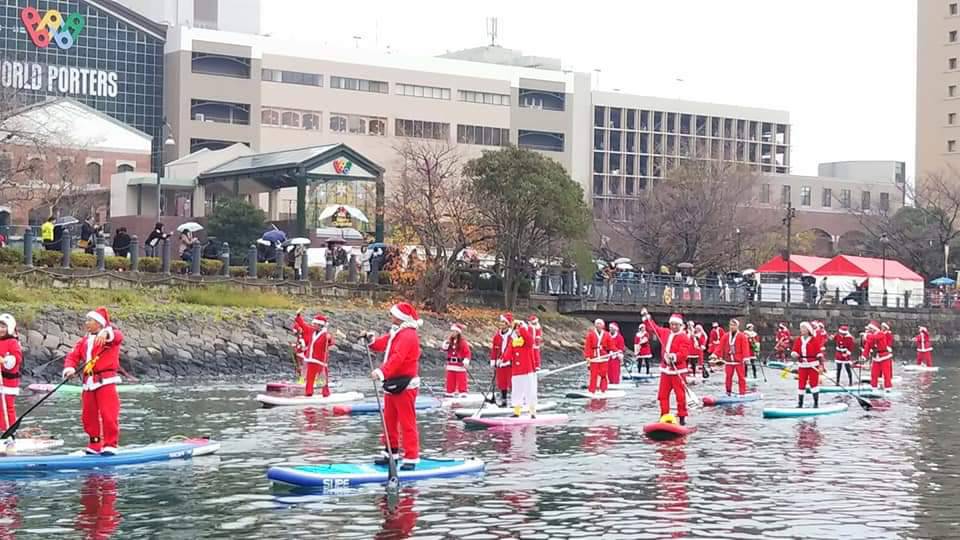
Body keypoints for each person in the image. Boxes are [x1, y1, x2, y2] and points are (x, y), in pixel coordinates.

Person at [367, 302, 422, 470]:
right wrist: (371, 340)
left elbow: (398, 358)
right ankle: (391, 451)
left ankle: (411, 456)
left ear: (400, 317)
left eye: (393, 314)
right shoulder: (396, 332)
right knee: (389, 420)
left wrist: (381, 372)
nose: (391, 317)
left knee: (407, 422)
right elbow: (382, 344)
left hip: (405, 385)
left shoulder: (408, 335)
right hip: (392, 383)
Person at [62, 307, 124, 455]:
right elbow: (72, 357)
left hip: (105, 382)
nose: (87, 323)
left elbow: (118, 336)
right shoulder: (83, 341)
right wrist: (69, 369)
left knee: (108, 414)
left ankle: (110, 444)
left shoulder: (109, 337)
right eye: (87, 320)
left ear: (99, 323)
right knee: (88, 416)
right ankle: (94, 444)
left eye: (90, 320)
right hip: (88, 384)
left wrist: (106, 331)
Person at [641, 309, 692, 425]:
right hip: (665, 371)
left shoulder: (684, 338)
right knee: (662, 395)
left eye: (676, 324)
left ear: (680, 325)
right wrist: (646, 317)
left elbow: (683, 354)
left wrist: (674, 357)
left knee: (680, 395)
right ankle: (664, 415)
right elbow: (652, 328)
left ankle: (682, 417)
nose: (673, 326)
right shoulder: (665, 332)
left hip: (678, 371)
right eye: (672, 324)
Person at [293, 309, 333, 398]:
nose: (313, 325)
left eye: (315, 324)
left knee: (323, 378)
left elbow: (331, 342)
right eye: (313, 324)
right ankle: (308, 393)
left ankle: (326, 393)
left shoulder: (325, 335)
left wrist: (329, 338)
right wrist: (298, 316)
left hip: (320, 361)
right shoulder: (311, 331)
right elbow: (302, 324)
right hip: (310, 359)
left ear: (320, 325)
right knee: (309, 377)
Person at [506, 316, 537, 417]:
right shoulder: (513, 342)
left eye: (519, 330)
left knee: (530, 391)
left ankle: (532, 412)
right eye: (516, 330)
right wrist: (502, 360)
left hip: (527, 371)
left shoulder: (527, 341)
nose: (518, 332)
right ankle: (517, 412)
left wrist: (521, 326)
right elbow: (508, 353)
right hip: (516, 371)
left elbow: (528, 337)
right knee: (516, 391)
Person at [791, 321, 824, 409]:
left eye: (804, 328)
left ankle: (816, 403)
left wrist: (821, 366)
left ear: (808, 330)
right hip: (802, 365)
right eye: (801, 328)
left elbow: (819, 353)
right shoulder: (799, 339)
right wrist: (794, 354)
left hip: (813, 364)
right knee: (801, 384)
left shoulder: (814, 340)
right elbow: (795, 350)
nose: (802, 330)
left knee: (813, 384)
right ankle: (800, 403)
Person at [716, 318, 751, 396]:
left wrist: (746, 358)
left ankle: (742, 393)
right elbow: (720, 346)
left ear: (737, 326)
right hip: (728, 360)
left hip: (738, 360)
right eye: (731, 325)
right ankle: (728, 392)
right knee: (728, 377)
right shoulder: (726, 336)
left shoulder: (742, 336)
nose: (732, 327)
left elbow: (745, 348)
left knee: (741, 377)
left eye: (734, 325)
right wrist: (715, 354)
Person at [0, 314, 21, 432]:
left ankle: (9, 431)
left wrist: (4, 361)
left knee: (8, 407)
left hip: (9, 382)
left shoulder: (13, 342)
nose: (1, 329)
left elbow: (16, 359)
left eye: (3, 326)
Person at [490, 313, 514, 407]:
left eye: (504, 322)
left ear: (508, 324)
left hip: (510, 363)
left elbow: (511, 349)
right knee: (502, 382)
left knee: (511, 382)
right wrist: (493, 361)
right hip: (499, 363)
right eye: (501, 322)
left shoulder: (512, 335)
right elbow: (494, 349)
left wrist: (505, 359)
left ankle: (514, 400)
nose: (501, 324)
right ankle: (504, 400)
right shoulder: (497, 336)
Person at [583, 319, 612, 395]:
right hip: (594, 356)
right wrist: (587, 357)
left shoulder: (607, 334)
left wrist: (617, 351)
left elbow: (611, 345)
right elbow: (587, 347)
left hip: (603, 356)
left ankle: (603, 390)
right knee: (593, 374)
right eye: (597, 324)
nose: (598, 325)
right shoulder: (591, 334)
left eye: (600, 324)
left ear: (603, 326)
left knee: (603, 373)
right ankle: (592, 390)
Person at [441, 324, 470, 396]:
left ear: (458, 332)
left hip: (459, 364)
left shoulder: (463, 342)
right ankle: (450, 392)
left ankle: (462, 392)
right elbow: (444, 349)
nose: (452, 333)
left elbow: (467, 352)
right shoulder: (450, 341)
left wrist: (466, 360)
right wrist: (446, 344)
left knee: (461, 379)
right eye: (452, 331)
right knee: (450, 379)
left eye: (454, 331)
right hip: (451, 364)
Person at [864, 320, 894, 392]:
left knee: (886, 373)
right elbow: (867, 346)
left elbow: (874, 337)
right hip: (876, 357)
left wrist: (866, 335)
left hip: (884, 356)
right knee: (874, 374)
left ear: (874, 329)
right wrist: (864, 355)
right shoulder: (871, 336)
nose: (869, 330)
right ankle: (874, 387)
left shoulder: (880, 334)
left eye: (870, 329)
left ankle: (888, 388)